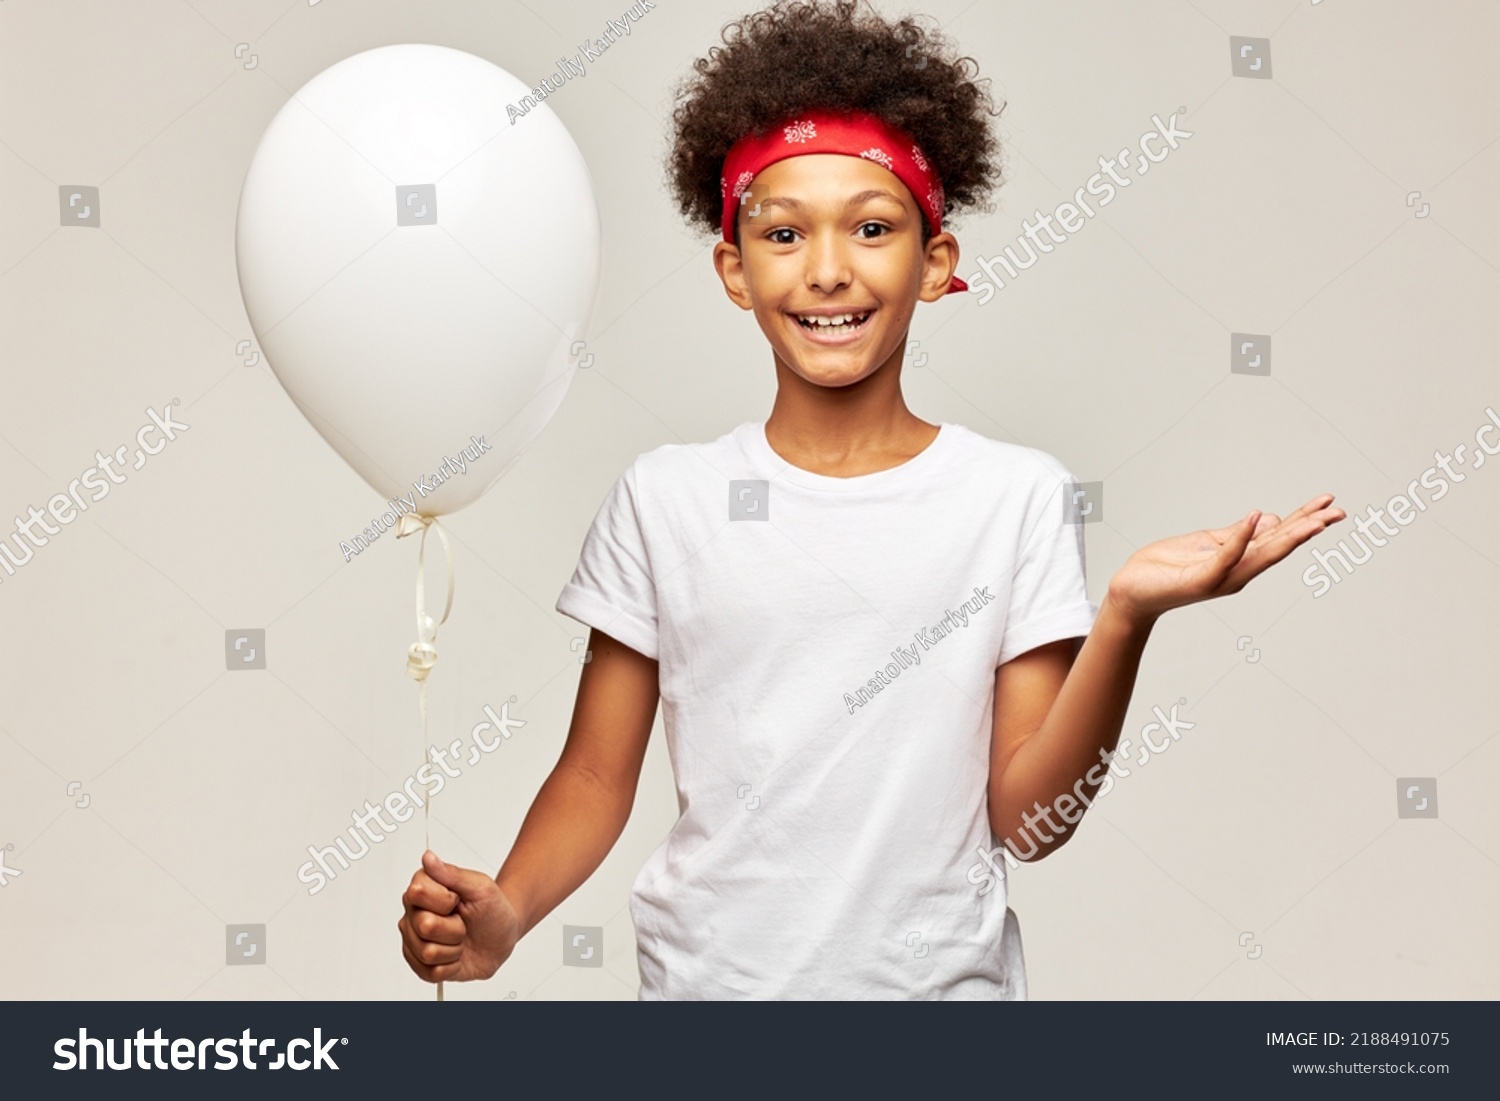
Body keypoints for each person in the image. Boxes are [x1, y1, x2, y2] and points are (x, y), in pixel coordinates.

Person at [397, 0, 1345, 999]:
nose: (829, 270)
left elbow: (1030, 825)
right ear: (735, 268)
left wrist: (1125, 619)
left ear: (935, 263)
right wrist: (505, 912)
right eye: (782, 233)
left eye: (873, 226)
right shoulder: (664, 500)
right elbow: (594, 778)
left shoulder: (1010, 499)